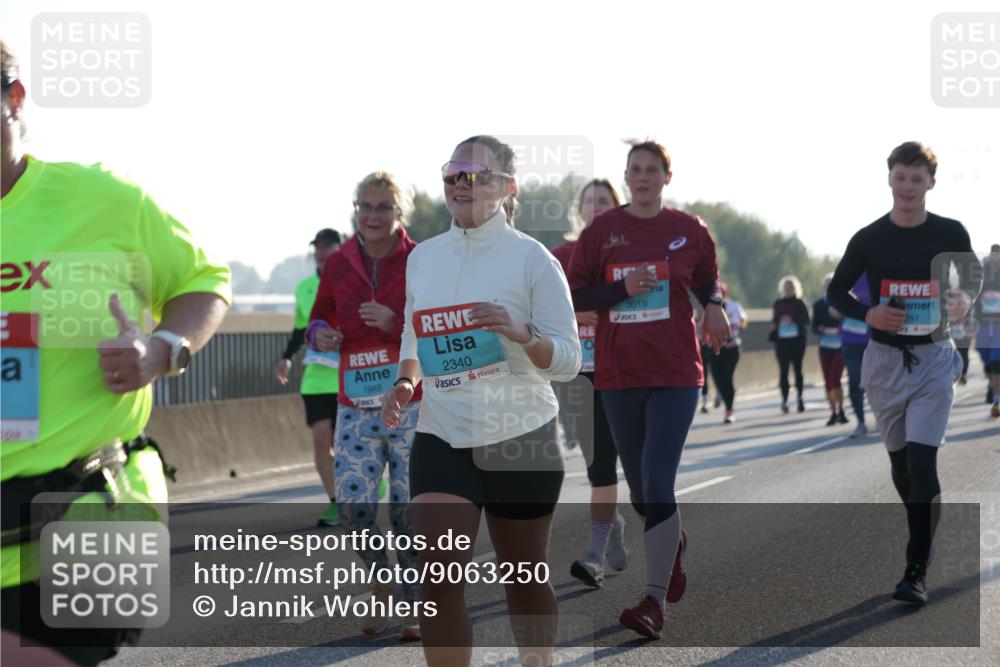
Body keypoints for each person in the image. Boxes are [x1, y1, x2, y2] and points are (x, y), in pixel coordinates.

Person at [0, 40, 231, 665]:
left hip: (92, 507)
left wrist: (161, 351)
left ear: (14, 99)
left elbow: (204, 281)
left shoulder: (104, 200)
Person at [382, 135, 580, 667]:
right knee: (437, 578)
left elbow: (568, 359)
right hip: (443, 436)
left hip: (522, 436)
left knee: (523, 577)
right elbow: (414, 331)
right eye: (452, 175)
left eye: (475, 175)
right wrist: (405, 382)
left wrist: (522, 333)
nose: (460, 185)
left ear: (508, 186)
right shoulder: (424, 257)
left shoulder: (533, 259)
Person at [567, 140, 730, 639]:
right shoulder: (601, 232)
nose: (642, 177)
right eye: (635, 169)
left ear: (666, 177)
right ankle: (671, 541)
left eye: (651, 170)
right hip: (619, 376)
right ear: (627, 176)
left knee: (659, 484)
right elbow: (576, 294)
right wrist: (622, 289)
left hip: (676, 373)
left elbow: (707, 279)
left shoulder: (689, 229)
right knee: (641, 494)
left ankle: (653, 603)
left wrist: (714, 306)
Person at [828, 141, 981, 605]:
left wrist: (963, 299)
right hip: (884, 362)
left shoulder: (949, 231)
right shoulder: (870, 237)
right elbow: (836, 293)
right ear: (889, 179)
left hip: (933, 358)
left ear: (931, 182)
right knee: (901, 466)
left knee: (921, 462)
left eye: (917, 179)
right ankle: (921, 527)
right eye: (901, 177)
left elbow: (971, 276)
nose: (908, 187)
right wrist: (869, 314)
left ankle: (916, 569)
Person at [307, 172, 422, 639]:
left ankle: (413, 600)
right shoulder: (339, 263)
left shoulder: (419, 260)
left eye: (383, 207)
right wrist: (321, 334)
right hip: (356, 403)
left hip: (410, 399)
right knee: (353, 505)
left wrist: (396, 323)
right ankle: (381, 581)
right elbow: (317, 318)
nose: (373, 216)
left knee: (408, 507)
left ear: (399, 212)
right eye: (365, 207)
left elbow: (435, 325)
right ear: (355, 210)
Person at [551, 179, 629, 588]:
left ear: (618, 206)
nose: (596, 207)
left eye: (604, 200)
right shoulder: (559, 256)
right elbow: (538, 310)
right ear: (578, 210)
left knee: (626, 466)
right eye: (589, 201)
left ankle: (605, 536)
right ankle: (599, 548)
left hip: (625, 371)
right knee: (598, 466)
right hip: (578, 375)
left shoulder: (629, 255)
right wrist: (576, 316)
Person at [275, 229, 343, 526]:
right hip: (315, 379)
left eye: (327, 246)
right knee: (320, 442)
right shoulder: (304, 288)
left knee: (346, 444)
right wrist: (287, 358)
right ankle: (336, 502)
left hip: (348, 377)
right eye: (317, 247)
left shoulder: (352, 281)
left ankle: (365, 481)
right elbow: (301, 329)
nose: (321, 252)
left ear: (340, 248)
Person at [812, 274, 849, 426]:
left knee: (835, 378)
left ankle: (841, 410)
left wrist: (842, 327)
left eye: (832, 284)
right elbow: (813, 326)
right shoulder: (818, 304)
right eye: (827, 284)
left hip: (841, 346)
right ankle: (833, 412)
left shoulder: (845, 302)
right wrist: (820, 328)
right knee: (827, 381)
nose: (830, 286)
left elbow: (851, 321)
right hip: (825, 345)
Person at [770, 276, 810, 413]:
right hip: (782, 342)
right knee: (783, 371)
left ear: (796, 288)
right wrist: (778, 323)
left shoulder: (800, 303)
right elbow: (775, 319)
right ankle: (785, 399)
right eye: (786, 286)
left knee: (798, 369)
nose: (788, 289)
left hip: (797, 341)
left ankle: (800, 397)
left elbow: (806, 320)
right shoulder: (778, 303)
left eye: (791, 286)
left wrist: (792, 319)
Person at [709, 281, 748, 424]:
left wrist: (736, 324)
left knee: (727, 377)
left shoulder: (734, 306)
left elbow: (744, 320)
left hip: (732, 347)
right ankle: (722, 394)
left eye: (721, 293)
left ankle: (729, 409)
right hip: (714, 348)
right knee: (717, 378)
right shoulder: (708, 307)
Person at [841, 274, 872, 437]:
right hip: (850, 342)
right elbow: (833, 307)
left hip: (874, 341)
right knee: (854, 383)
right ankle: (861, 422)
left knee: (876, 382)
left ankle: (885, 417)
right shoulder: (847, 274)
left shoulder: (877, 272)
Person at [974, 243, 1000, 417]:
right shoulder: (982, 272)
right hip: (983, 323)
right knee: (985, 358)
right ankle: (992, 383)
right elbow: (972, 293)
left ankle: (997, 400)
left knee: (996, 361)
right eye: (994, 254)